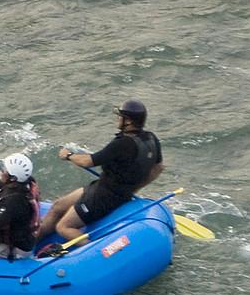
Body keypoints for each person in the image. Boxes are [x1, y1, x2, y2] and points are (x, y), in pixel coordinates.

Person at [42, 99, 165, 247]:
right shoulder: (151, 138)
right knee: (58, 206)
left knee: (64, 227)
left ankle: (92, 249)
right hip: (104, 188)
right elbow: (158, 168)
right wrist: (136, 187)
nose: (118, 119)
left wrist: (68, 156)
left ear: (129, 121)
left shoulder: (122, 144)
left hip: (104, 197)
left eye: (121, 117)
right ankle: (33, 241)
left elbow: (88, 161)